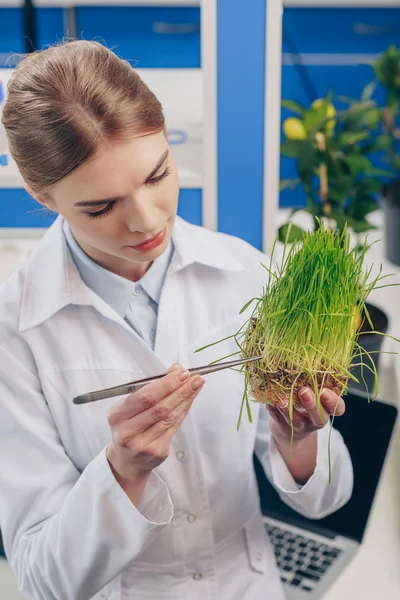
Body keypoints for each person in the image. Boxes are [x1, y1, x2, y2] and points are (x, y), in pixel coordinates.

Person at [0, 40, 353, 600]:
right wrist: (121, 472)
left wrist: (298, 440)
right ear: (44, 198)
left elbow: (325, 500)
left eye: (158, 174)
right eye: (100, 207)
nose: (145, 221)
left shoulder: (242, 270)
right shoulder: (14, 331)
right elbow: (45, 580)